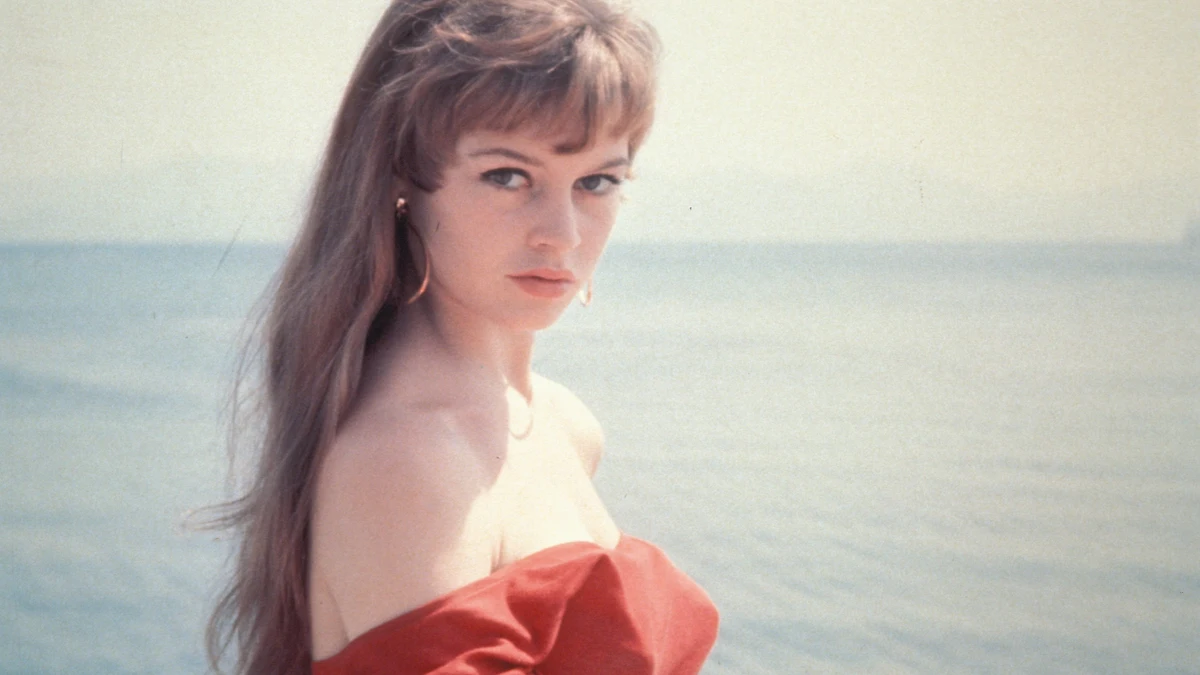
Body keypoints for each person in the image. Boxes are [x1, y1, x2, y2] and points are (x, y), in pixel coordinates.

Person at [206, 1, 719, 673]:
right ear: (401, 180)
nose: (562, 234)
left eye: (597, 182)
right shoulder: (408, 457)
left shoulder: (564, 424)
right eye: (508, 176)